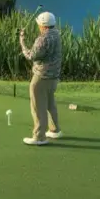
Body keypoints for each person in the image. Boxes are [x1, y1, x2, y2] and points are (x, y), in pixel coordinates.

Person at [18, 11, 63, 146]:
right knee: (50, 103)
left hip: (41, 77)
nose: (38, 25)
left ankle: (39, 137)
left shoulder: (43, 39)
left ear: (43, 25)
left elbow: (31, 55)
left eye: (39, 23)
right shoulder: (57, 34)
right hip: (54, 76)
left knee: (38, 107)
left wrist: (22, 42)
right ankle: (54, 130)